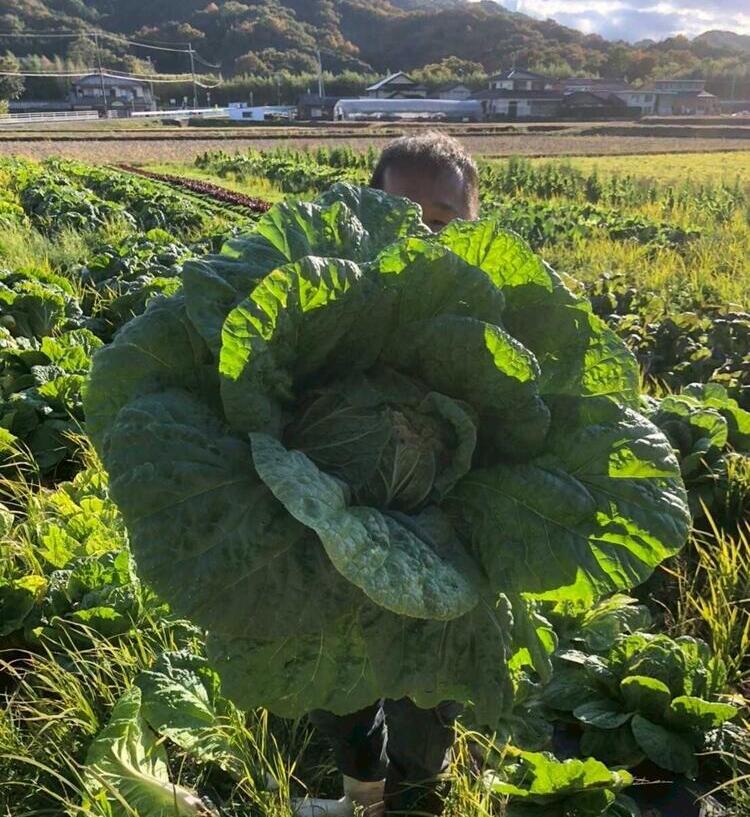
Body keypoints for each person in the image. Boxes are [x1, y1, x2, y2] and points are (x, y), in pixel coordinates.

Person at [295, 132, 481, 817]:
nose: (419, 234)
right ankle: (362, 796)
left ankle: (414, 795)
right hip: (325, 525)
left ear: (471, 226)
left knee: (430, 693)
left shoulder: (496, 305)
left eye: (440, 220)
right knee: (337, 682)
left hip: (447, 535)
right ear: (366, 211)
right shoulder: (326, 289)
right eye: (399, 215)